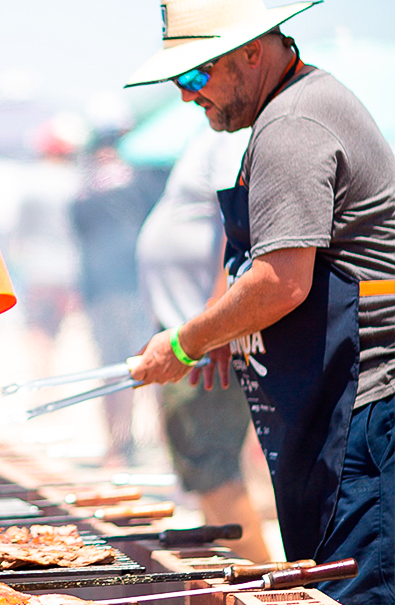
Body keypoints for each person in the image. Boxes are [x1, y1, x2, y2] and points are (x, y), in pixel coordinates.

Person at [126, 1, 395, 602]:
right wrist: (229, 333)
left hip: (365, 403)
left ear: (252, 52)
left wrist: (185, 342)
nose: (187, 96)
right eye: (178, 80)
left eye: (196, 75)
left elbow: (280, 281)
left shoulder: (293, 125)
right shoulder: (288, 113)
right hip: (339, 402)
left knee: (355, 592)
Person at [136, 126, 270, 562]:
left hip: (203, 338)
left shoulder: (235, 132)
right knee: (206, 475)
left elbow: (238, 227)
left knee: (214, 471)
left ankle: (266, 591)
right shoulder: (212, 132)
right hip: (188, 330)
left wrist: (215, 322)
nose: (186, 90)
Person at [71, 127, 167, 465]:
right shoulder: (92, 189)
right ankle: (120, 445)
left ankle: (147, 443)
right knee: (118, 367)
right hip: (109, 289)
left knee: (146, 364)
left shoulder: (124, 183)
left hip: (133, 286)